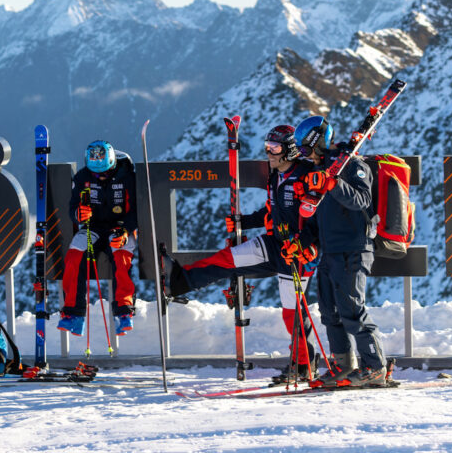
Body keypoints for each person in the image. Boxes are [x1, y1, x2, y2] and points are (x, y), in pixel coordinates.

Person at [163, 125, 320, 381]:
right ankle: (176, 282)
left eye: (275, 148)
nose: (269, 153)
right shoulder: (275, 175)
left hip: (297, 254)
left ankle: (303, 363)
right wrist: (244, 222)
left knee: (291, 311)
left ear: (290, 149)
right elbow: (271, 210)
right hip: (273, 243)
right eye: (267, 147)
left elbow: (319, 219)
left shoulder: (306, 176)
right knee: (227, 259)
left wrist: (307, 245)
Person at [292, 115, 387, 387]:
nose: (303, 154)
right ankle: (343, 366)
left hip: (354, 249)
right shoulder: (319, 172)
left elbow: (362, 200)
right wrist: (307, 244)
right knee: (329, 310)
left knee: (352, 310)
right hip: (330, 251)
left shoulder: (352, 165)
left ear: (318, 142)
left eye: (305, 148)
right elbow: (315, 216)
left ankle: (375, 366)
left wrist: (332, 184)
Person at [57, 140, 137, 337]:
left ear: (112, 164)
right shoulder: (82, 177)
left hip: (119, 227)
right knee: (74, 255)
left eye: (104, 172)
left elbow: (136, 210)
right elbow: (73, 207)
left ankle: (124, 312)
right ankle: (73, 314)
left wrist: (126, 230)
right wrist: (79, 214)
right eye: (95, 173)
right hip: (92, 228)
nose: (100, 177)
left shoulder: (128, 177)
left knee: (121, 256)